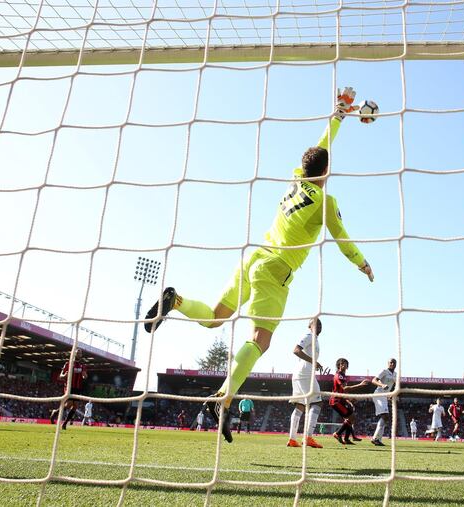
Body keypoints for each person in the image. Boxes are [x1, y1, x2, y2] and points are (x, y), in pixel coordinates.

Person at [142, 88, 375, 444]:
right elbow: (342, 239)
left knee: (215, 317)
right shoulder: (325, 201)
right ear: (327, 170)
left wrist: (339, 114)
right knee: (260, 341)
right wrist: (363, 264)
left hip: (253, 257)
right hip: (275, 270)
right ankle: (222, 398)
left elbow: (320, 148)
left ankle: (176, 302)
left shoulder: (296, 178)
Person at [288, 318, 325, 448]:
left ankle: (292, 439)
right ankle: (308, 437)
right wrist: (313, 361)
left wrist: (314, 362)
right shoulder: (310, 336)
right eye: (315, 323)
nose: (319, 325)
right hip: (305, 374)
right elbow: (296, 350)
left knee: (300, 405)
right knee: (317, 402)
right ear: (309, 326)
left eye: (320, 324)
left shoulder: (315, 339)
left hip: (299, 374)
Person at [330, 358, 369, 445]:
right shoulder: (339, 375)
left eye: (345, 364)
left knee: (351, 417)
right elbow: (345, 388)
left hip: (341, 400)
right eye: (342, 364)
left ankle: (347, 438)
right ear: (338, 365)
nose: (344, 365)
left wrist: (349, 399)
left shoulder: (343, 376)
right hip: (336, 401)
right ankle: (338, 433)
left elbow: (343, 391)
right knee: (351, 417)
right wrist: (360, 385)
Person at [50, 349, 88, 430]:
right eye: (77, 352)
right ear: (73, 354)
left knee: (75, 406)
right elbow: (60, 376)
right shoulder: (68, 364)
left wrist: (84, 376)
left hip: (77, 388)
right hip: (69, 387)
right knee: (69, 404)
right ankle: (55, 412)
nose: (79, 354)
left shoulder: (83, 365)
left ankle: (64, 423)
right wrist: (64, 375)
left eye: (80, 353)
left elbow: (85, 376)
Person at [370, 358, 397, 446]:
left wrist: (391, 394)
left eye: (394, 363)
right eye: (391, 362)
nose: (392, 364)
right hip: (378, 394)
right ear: (388, 363)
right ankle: (375, 438)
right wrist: (382, 385)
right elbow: (374, 380)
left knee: (386, 418)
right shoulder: (384, 371)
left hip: (384, 396)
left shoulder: (395, 374)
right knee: (385, 416)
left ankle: (377, 439)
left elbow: (393, 386)